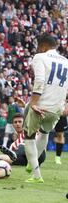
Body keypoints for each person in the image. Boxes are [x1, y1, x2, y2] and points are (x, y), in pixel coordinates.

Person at [24, 34, 68, 183]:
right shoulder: (66, 61)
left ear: (43, 46)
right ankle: (32, 163)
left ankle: (36, 175)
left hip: (41, 105)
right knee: (44, 132)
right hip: (57, 108)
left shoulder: (40, 57)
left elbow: (40, 80)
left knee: (29, 136)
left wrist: (34, 103)